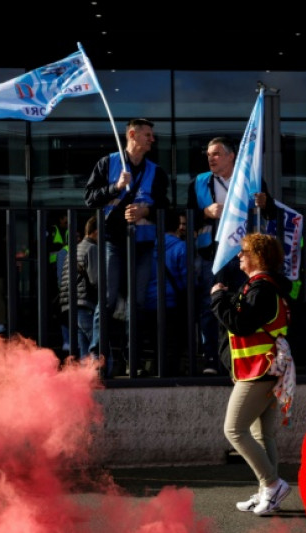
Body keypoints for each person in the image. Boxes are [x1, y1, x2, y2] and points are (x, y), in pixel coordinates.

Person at [211, 233, 293, 516]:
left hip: (259, 369)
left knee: (233, 429)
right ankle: (267, 494)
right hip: (264, 369)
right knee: (262, 434)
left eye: (244, 251)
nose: (239, 256)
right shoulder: (263, 287)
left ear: (259, 256)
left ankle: (271, 484)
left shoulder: (261, 289)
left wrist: (218, 297)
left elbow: (239, 323)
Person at [84, 118, 170, 377]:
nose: (152, 139)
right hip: (112, 241)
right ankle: (97, 362)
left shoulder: (156, 171)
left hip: (143, 243)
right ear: (132, 134)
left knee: (138, 304)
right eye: (147, 135)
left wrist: (147, 209)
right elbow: (89, 199)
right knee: (106, 302)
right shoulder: (107, 163)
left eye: (152, 135)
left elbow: (167, 205)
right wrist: (116, 187)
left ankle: (131, 361)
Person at [187, 136, 277, 375]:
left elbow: (271, 213)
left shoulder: (252, 180)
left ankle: (239, 358)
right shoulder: (199, 182)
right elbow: (185, 219)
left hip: (244, 257)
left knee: (241, 305)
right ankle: (211, 360)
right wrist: (205, 212)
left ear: (230, 156)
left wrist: (265, 202)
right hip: (212, 254)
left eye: (216, 154)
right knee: (211, 305)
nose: (210, 159)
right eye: (208, 155)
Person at [142, 209, 188, 375]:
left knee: (156, 340)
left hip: (149, 301)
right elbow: (186, 278)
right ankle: (171, 371)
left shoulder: (148, 247)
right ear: (177, 226)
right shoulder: (181, 247)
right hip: (172, 302)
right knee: (173, 340)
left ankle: (158, 369)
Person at [59, 215, 99, 360]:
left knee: (84, 346)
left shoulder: (73, 249)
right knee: (97, 342)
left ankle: (86, 378)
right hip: (85, 301)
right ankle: (102, 373)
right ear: (95, 231)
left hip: (70, 303)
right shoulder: (92, 248)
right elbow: (95, 280)